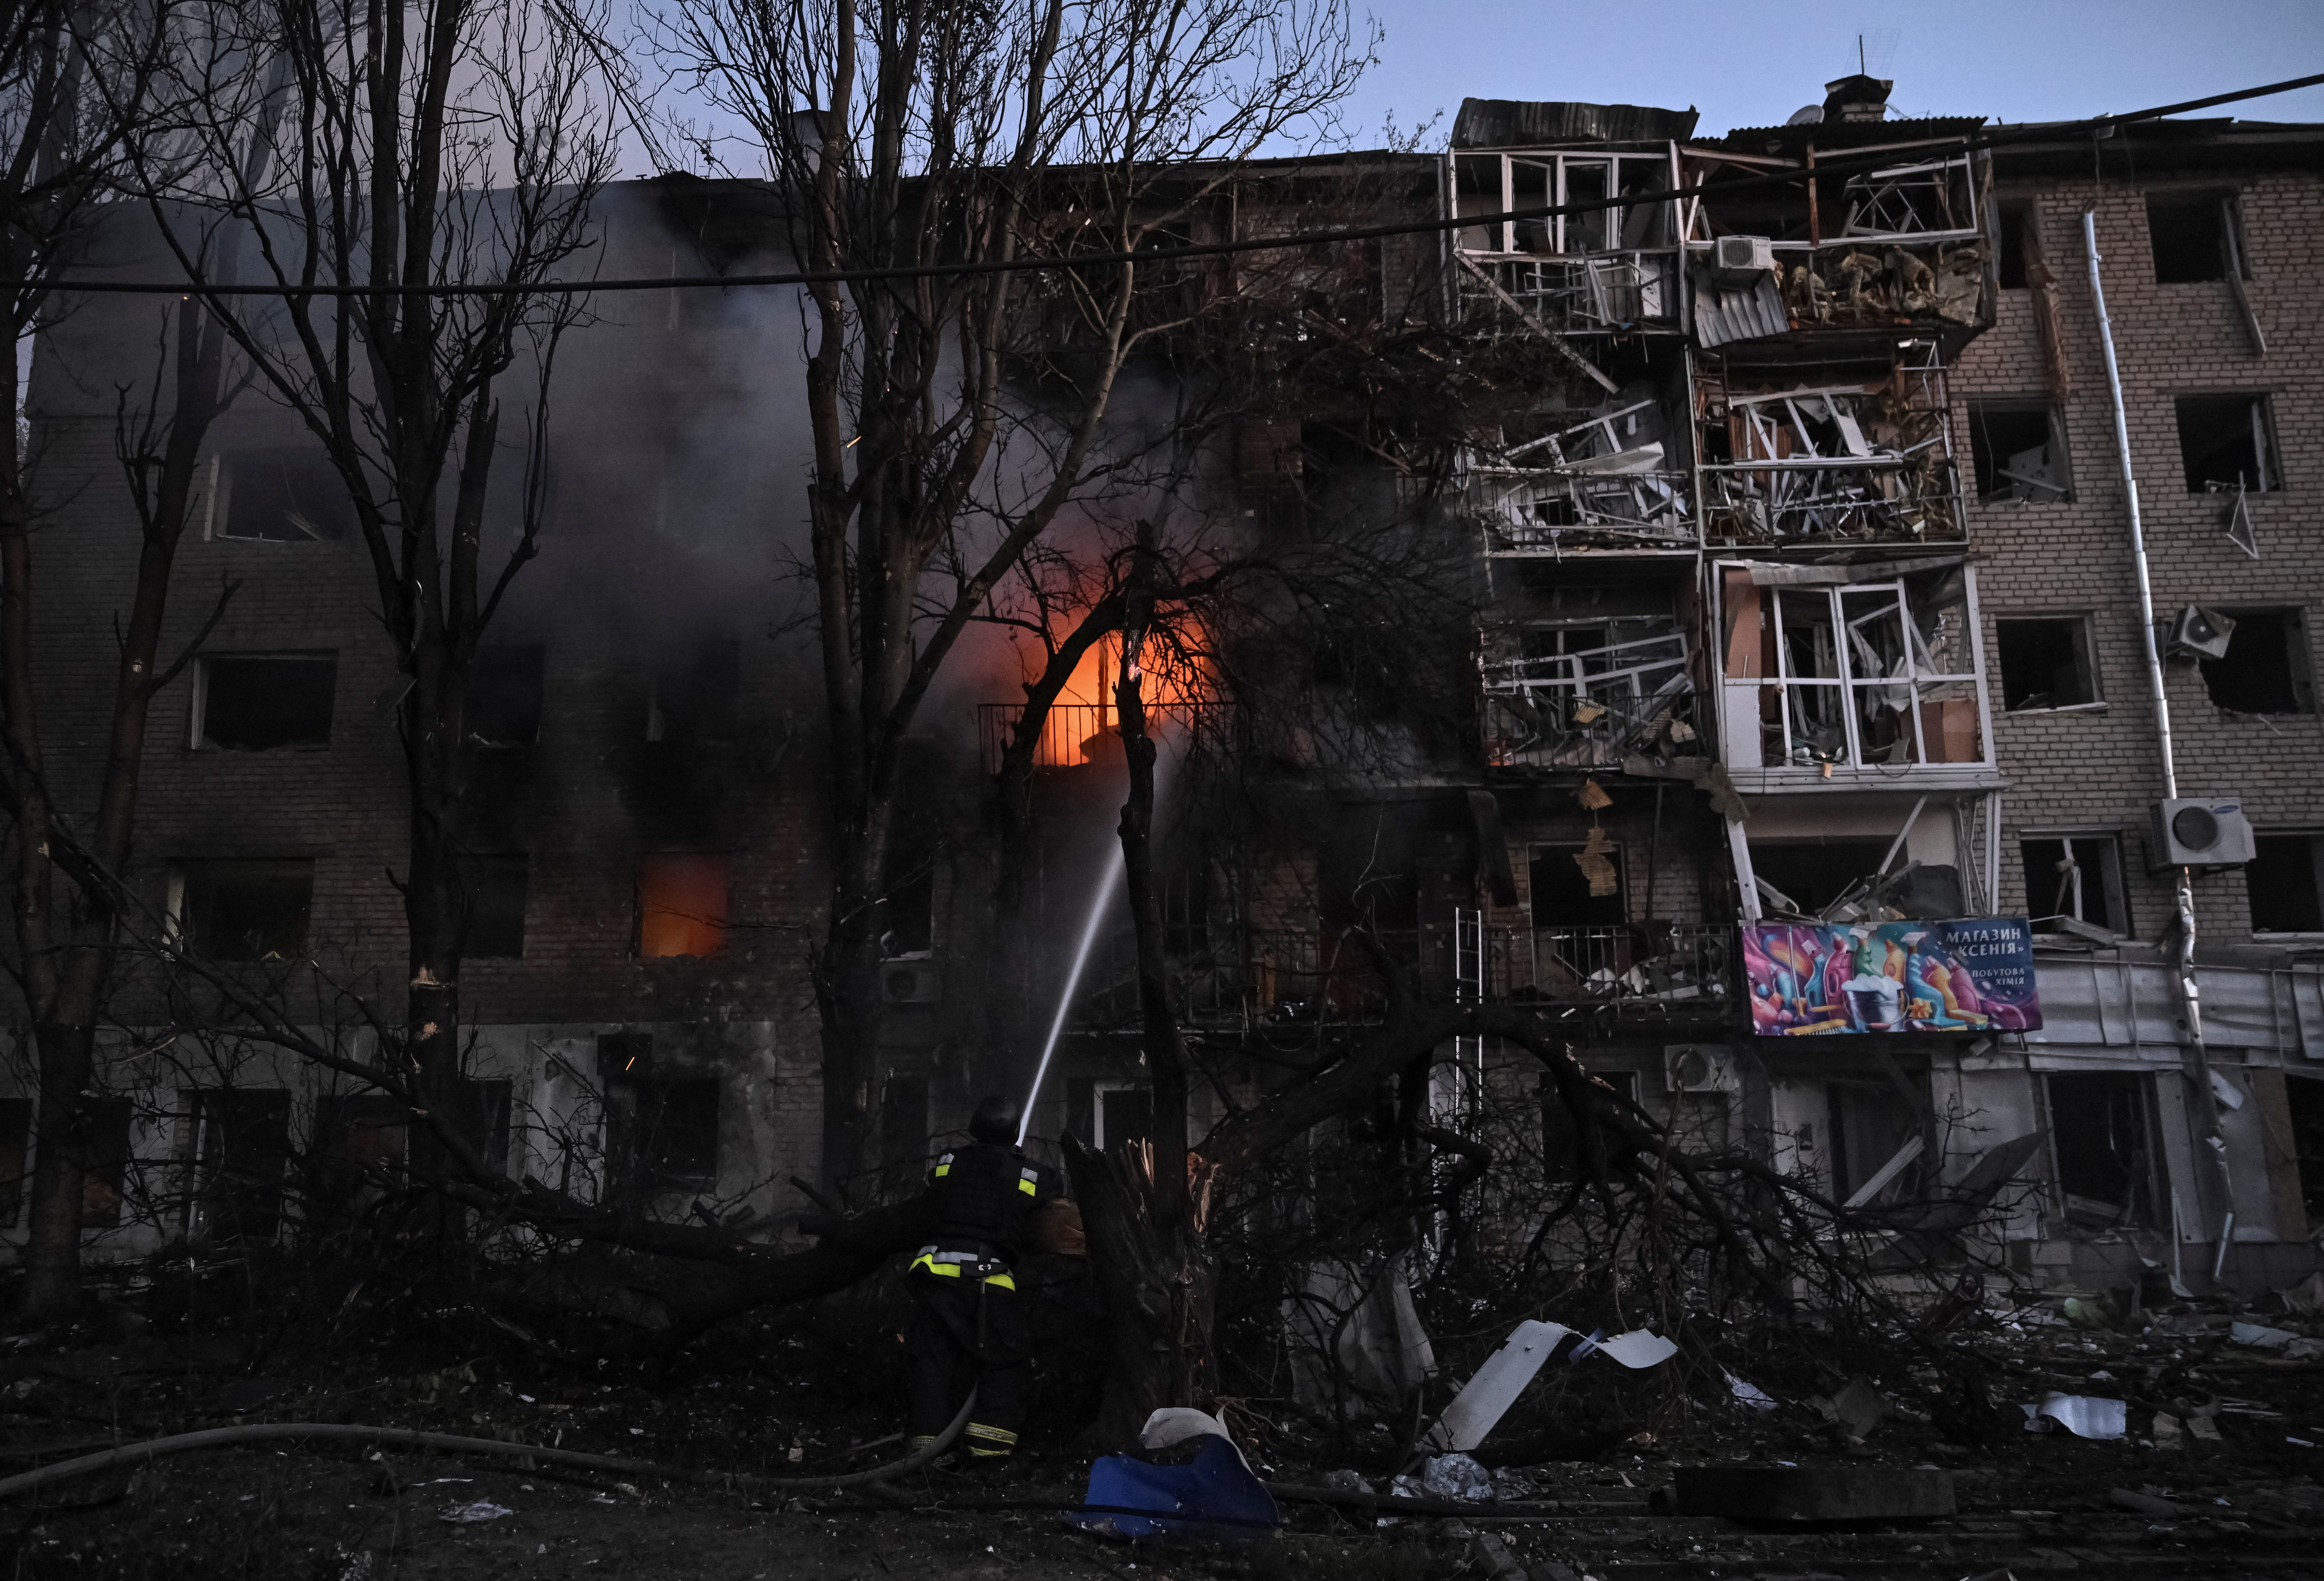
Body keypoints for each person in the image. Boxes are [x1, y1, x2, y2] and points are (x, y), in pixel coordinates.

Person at [905, 1095, 1063, 1464]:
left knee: (933, 1364)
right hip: (986, 1281)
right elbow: (1052, 1188)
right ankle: (988, 1454)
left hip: (933, 1276)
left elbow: (935, 1188)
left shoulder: (948, 1162)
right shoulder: (1027, 1175)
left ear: (974, 1128)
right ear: (1015, 1133)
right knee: (1005, 1360)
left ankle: (927, 1455)